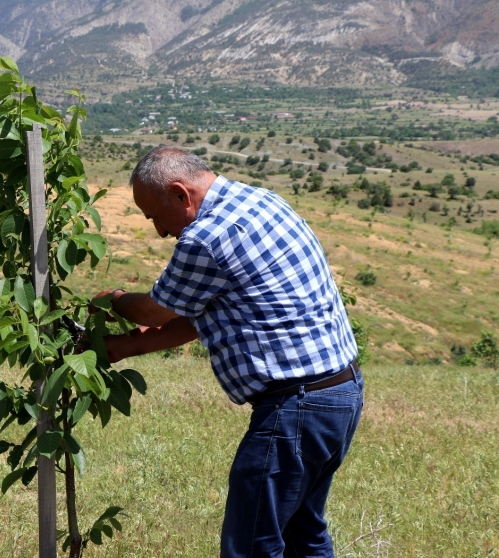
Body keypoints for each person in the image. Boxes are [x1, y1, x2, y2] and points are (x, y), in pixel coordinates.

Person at [93, 145, 363, 558]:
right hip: (338, 395)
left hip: (296, 407)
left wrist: (112, 300)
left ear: (181, 194)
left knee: (251, 545)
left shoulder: (209, 235)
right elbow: (199, 312)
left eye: (156, 217)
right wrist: (128, 346)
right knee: (302, 535)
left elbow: (156, 309)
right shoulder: (261, 200)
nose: (160, 232)